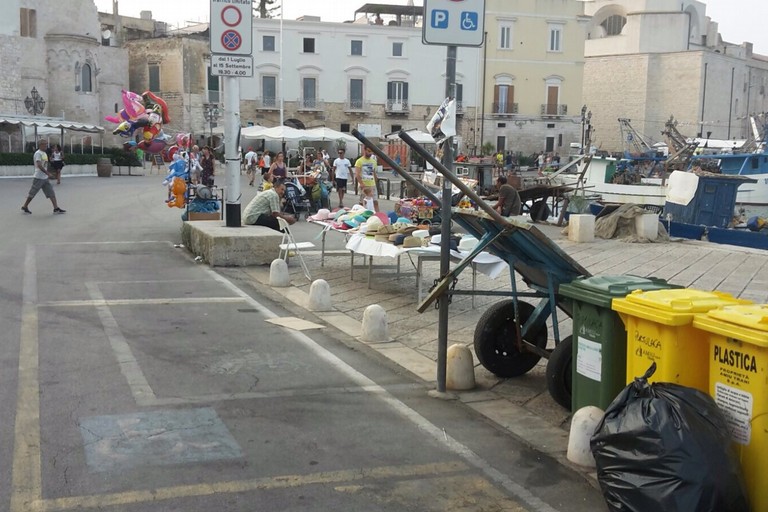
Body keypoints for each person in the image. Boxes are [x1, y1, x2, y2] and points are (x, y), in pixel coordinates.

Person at [21, 139, 66, 215]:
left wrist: (48, 173)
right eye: (44, 144)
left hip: (44, 178)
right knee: (32, 193)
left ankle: (56, 208)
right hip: (38, 177)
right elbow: (39, 165)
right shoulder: (38, 153)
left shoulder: (44, 153)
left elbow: (45, 165)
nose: (46, 145)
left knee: (51, 192)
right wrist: (48, 173)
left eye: (46, 144)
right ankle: (25, 206)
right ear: (40, 145)